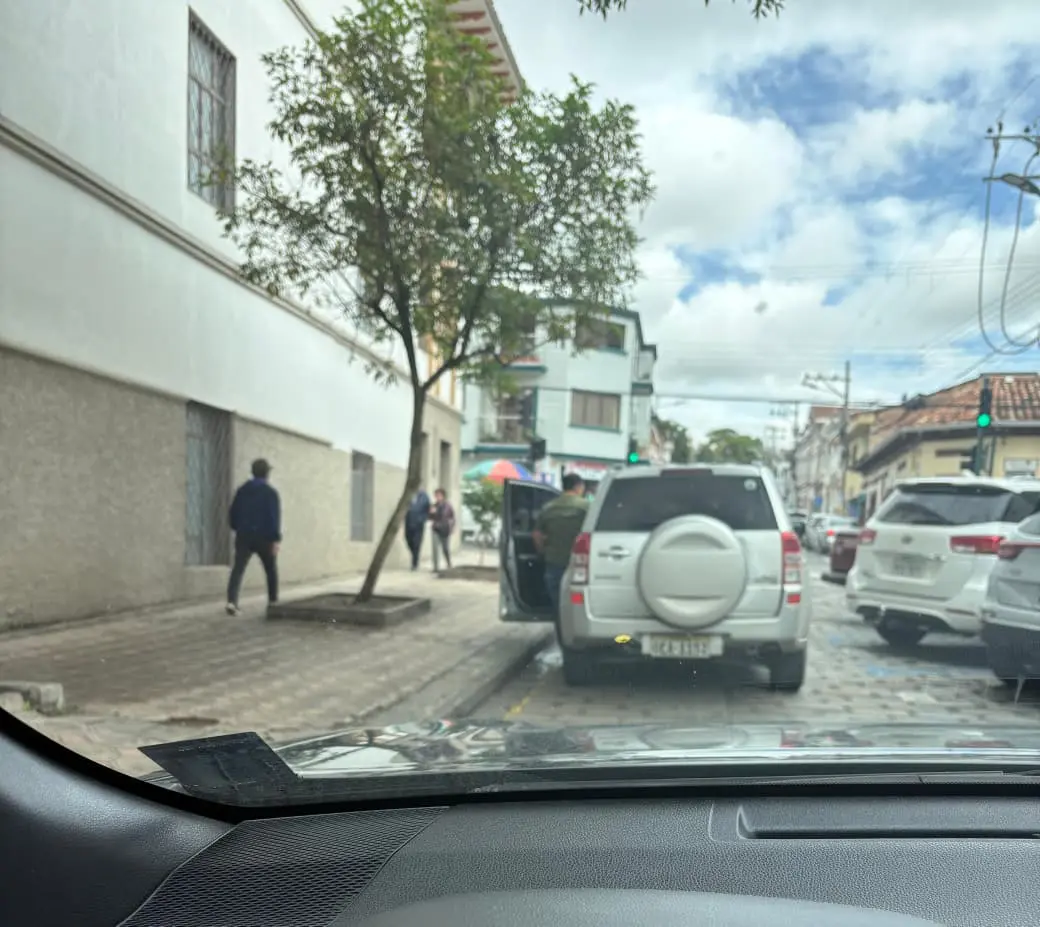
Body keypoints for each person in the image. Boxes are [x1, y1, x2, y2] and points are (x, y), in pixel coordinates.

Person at [225, 458, 281, 615]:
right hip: (264, 538)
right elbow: (273, 518)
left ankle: (232, 601)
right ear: (267, 473)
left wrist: (238, 528)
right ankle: (273, 603)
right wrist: (275, 539)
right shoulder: (271, 493)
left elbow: (233, 513)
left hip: (244, 536)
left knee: (238, 569)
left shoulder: (242, 491)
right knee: (270, 570)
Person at [533, 473, 588, 624]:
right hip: (579, 564)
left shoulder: (548, 507)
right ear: (578, 487)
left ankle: (561, 632)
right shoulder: (587, 507)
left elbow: (537, 535)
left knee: (558, 604)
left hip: (554, 562)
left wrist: (542, 551)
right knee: (578, 602)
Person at [404, 487, 431, 570]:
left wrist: (423, 519)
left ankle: (414, 563)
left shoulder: (424, 496)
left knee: (416, 543)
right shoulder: (409, 494)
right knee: (409, 541)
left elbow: (428, 510)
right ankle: (414, 555)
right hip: (408, 523)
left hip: (418, 524)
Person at [430, 488, 456, 572]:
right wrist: (431, 513)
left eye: (439, 495)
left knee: (445, 548)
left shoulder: (448, 506)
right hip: (436, 528)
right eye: (436, 495)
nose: (437, 497)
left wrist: (452, 527)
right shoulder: (434, 505)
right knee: (435, 548)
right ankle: (436, 567)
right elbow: (430, 517)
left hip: (445, 529)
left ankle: (448, 563)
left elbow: (452, 518)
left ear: (443, 496)